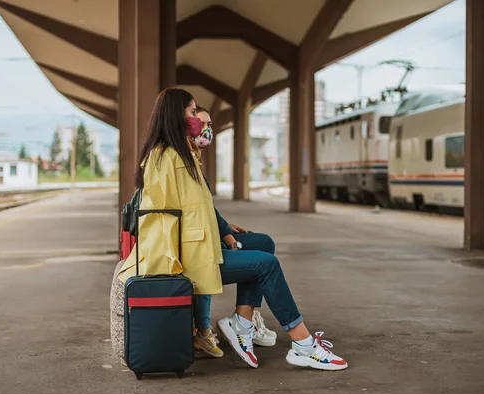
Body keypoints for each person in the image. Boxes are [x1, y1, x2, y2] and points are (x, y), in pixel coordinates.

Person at [118, 88, 347, 371]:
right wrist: (180, 261)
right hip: (184, 260)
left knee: (261, 244)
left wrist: (225, 235)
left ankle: (242, 323)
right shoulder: (166, 159)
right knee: (267, 265)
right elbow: (163, 218)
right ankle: (302, 345)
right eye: (192, 113)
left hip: (198, 247)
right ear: (176, 116)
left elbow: (197, 209)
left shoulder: (182, 155)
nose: (198, 121)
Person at [191, 106, 277, 357]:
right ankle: (205, 330)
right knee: (261, 261)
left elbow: (206, 206)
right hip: (196, 243)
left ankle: (245, 318)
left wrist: (226, 227)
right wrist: (227, 238)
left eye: (209, 125)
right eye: (201, 124)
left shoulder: (194, 159)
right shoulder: (182, 161)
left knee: (263, 242)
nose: (206, 130)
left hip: (207, 231)